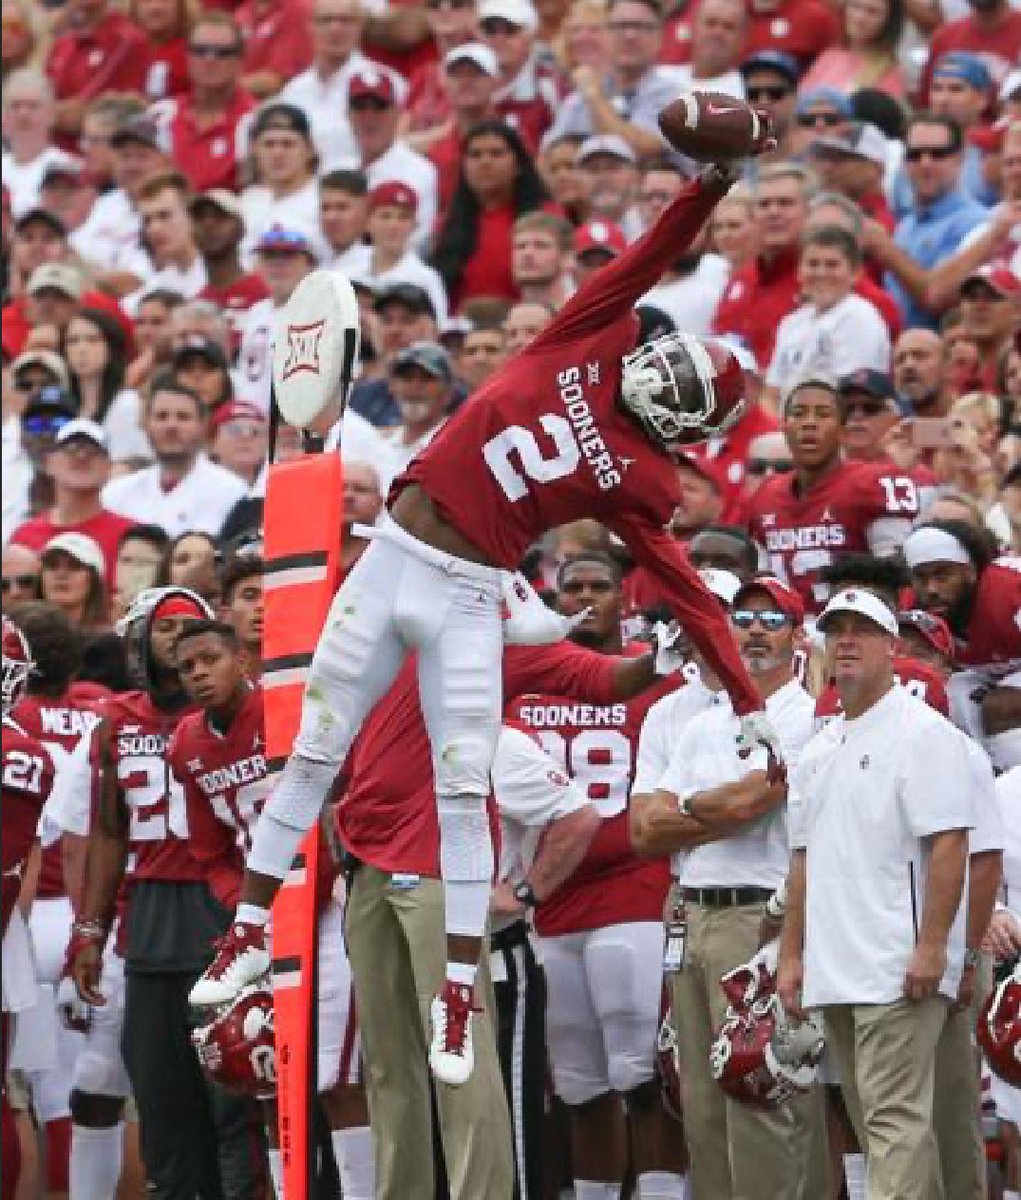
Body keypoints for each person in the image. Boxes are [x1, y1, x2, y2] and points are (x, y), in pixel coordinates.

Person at [190, 154, 775, 1093]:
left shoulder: (645, 477)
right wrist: (709, 180)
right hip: (392, 558)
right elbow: (649, 253)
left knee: (465, 794)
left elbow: (685, 586)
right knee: (312, 754)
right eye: (667, 361)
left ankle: (457, 988)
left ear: (688, 426)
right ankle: (248, 932)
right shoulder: (591, 335)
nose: (657, 373)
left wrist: (745, 698)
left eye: (679, 383)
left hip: (468, 591)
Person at [67, 586, 266, 1199]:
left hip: (222, 906)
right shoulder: (116, 721)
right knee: (161, 1099)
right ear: (138, 641)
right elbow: (107, 829)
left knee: (234, 1096)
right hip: (150, 916)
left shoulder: (234, 714)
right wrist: (91, 929)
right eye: (166, 627)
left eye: (194, 627)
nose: (181, 639)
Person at [777, 586, 976, 1200]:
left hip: (895, 964)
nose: (847, 641)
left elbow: (951, 844)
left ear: (893, 647)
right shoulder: (819, 747)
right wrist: (791, 955)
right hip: (835, 967)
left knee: (893, 1124)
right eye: (836, 630)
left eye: (861, 630)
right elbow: (802, 859)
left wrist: (934, 946)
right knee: (879, 1126)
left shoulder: (922, 732)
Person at [631, 574, 825, 1199]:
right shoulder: (702, 722)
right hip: (691, 912)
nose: (754, 631)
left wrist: (690, 807)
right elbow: (645, 830)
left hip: (760, 914)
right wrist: (715, 807)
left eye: (772, 621)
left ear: (796, 634)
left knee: (759, 1088)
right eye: (744, 618)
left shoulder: (806, 716)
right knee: (699, 1099)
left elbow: (750, 803)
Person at [168, 619, 373, 1199]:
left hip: (325, 906)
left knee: (337, 1075)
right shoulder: (187, 743)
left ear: (243, 658)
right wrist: (248, 913)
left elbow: (340, 807)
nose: (200, 673)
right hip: (257, 925)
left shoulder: (290, 709)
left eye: (211, 658)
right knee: (262, 1073)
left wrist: (301, 890)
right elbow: (209, 853)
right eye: (187, 667)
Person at [509, 552, 686, 1200]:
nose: (584, 597)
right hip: (549, 900)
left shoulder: (656, 682)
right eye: (571, 588)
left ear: (623, 598)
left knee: (642, 1077)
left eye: (598, 586)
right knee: (580, 1086)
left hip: (632, 890)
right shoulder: (523, 682)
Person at [745, 377, 919, 612]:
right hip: (786, 635)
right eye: (799, 413)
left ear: (842, 429)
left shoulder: (871, 484)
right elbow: (761, 582)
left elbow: (897, 582)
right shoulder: (766, 495)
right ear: (784, 426)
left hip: (853, 628)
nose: (809, 423)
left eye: (823, 414)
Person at [902, 519, 1021, 769]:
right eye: (921, 578)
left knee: (1001, 705)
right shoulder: (914, 607)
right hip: (992, 675)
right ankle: (983, 773)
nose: (931, 589)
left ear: (971, 570)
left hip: (1005, 679)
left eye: (942, 575)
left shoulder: (1010, 591)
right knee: (940, 697)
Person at [101, 375, 247, 537]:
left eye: (183, 417)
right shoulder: (116, 493)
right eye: (162, 416)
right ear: (145, 424)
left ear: (203, 425)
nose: (171, 426)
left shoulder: (232, 492)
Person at [762, 226, 890, 410]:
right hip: (786, 427)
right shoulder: (791, 322)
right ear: (799, 272)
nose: (821, 273)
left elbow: (853, 397)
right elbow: (770, 395)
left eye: (832, 265)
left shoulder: (860, 318)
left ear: (855, 273)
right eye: (813, 264)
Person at [430, 120, 553, 311]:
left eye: (496, 154)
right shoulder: (444, 226)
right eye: (475, 155)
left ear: (518, 165)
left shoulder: (547, 218)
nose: (485, 162)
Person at [712, 162, 813, 372]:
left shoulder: (823, 277)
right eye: (764, 204)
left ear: (810, 211)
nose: (773, 212)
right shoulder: (741, 277)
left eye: (785, 203)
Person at [10, 419, 136, 585]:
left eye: (93, 450)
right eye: (70, 449)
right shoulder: (24, 536)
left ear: (108, 466)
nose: (81, 456)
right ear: (49, 462)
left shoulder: (130, 536)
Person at [158, 12, 255, 193]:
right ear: (187, 57)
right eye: (200, 51)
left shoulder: (255, 121)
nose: (210, 60)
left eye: (223, 53)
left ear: (240, 60)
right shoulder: (161, 116)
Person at [799, 0, 905, 97]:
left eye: (873, 12)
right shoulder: (829, 56)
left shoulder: (888, 72)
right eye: (856, 6)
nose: (860, 17)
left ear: (888, 21)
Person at [39, 532, 111, 632]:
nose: (61, 574)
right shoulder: (22, 637)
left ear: (93, 580)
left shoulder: (109, 642)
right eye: (52, 565)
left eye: (74, 566)